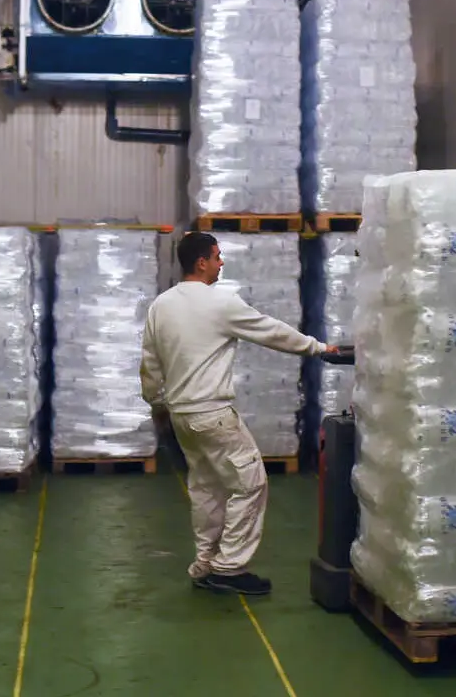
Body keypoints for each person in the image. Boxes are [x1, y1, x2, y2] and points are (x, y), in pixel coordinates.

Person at [140, 231, 337, 595]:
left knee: (207, 489)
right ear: (201, 262)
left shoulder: (161, 306)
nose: (221, 262)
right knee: (251, 484)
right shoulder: (219, 303)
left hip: (182, 416)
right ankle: (229, 568)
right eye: (217, 256)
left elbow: (150, 365)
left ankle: (205, 564)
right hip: (213, 414)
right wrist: (318, 348)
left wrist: (156, 404)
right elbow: (270, 331)